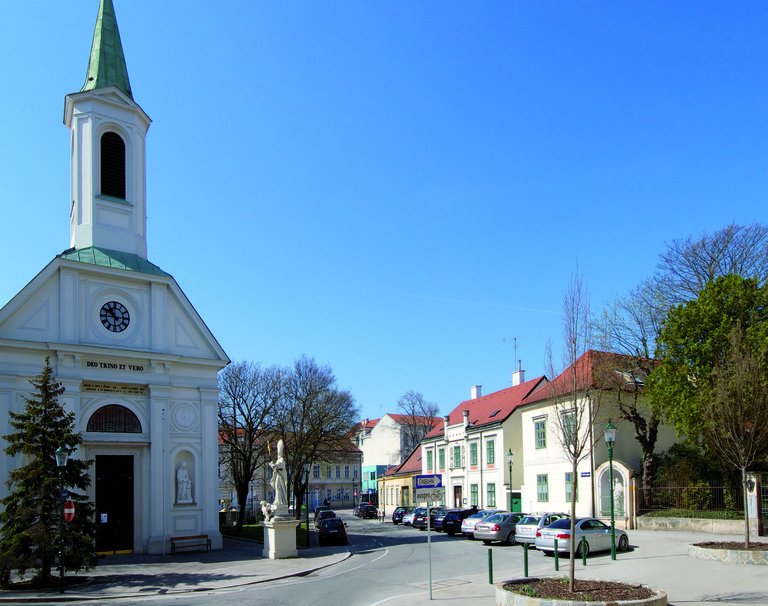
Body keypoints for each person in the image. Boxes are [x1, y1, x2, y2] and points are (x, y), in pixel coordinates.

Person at [270, 440, 288, 506]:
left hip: (281, 477)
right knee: (277, 487)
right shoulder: (278, 459)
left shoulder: (281, 459)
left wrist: (274, 465)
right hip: (278, 475)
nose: (279, 453)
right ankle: (277, 500)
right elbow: (276, 466)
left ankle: (280, 501)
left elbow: (280, 465)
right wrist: (272, 465)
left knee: (279, 487)